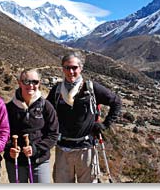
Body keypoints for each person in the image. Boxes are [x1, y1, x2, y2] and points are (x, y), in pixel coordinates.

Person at [46, 52, 121, 183]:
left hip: (86, 149)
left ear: (80, 68)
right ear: (62, 69)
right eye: (67, 68)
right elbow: (47, 113)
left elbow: (116, 102)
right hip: (63, 148)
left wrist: (105, 125)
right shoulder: (57, 90)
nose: (71, 71)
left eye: (74, 67)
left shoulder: (91, 88)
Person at [4, 68, 59, 183]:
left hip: (39, 160)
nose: (31, 85)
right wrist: (10, 148)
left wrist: (36, 149)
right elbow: (2, 133)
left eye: (35, 82)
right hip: (15, 162)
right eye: (26, 81)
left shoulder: (46, 106)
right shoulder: (8, 108)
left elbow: (53, 134)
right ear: (19, 83)